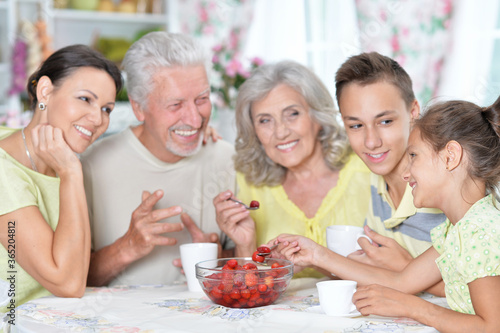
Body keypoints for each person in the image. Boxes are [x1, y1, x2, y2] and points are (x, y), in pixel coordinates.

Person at [275, 97, 500, 332]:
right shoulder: (459, 229)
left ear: (450, 156)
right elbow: (400, 281)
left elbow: (492, 327)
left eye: (413, 156)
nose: (406, 173)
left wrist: (414, 308)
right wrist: (315, 254)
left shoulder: (479, 231)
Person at [81, 31, 236, 287]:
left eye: (202, 99)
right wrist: (127, 247)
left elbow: (249, 261)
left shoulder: (228, 159)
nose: (195, 120)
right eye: (175, 105)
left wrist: (220, 260)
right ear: (138, 107)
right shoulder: (91, 166)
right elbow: (71, 281)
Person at [213, 60, 371, 278]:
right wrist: (246, 245)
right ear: (254, 132)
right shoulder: (250, 182)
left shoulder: (367, 169)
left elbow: (397, 271)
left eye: (293, 114)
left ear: (317, 115)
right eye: (265, 120)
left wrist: (316, 262)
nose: (280, 132)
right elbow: (252, 288)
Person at [0, 44, 122, 312]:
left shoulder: (61, 159)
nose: (97, 119)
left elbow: (78, 263)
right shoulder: (5, 171)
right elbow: (68, 284)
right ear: (45, 91)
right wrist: (70, 172)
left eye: (107, 109)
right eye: (85, 99)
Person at [334, 52, 447, 271]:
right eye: (356, 125)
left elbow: (487, 292)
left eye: (385, 121)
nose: (371, 142)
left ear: (413, 112)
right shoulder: (374, 182)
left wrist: (406, 268)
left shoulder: (446, 183)